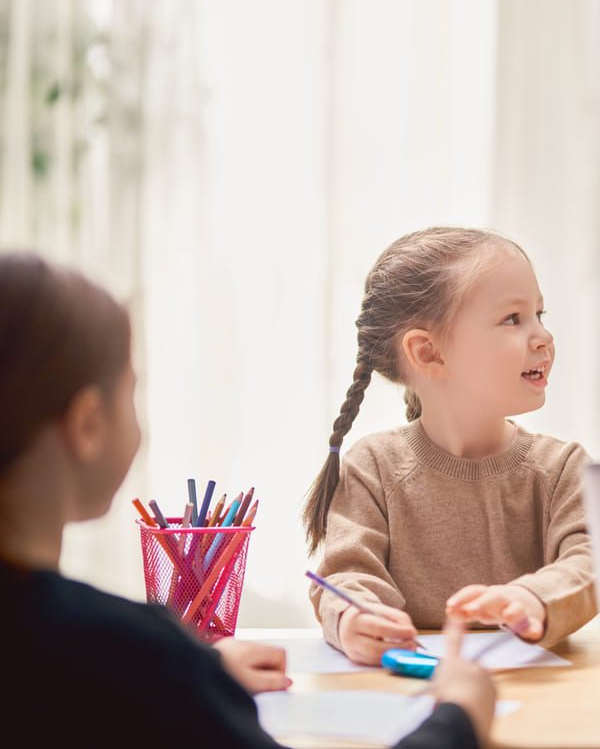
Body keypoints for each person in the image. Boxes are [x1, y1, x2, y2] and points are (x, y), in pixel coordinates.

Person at [0, 253, 495, 748]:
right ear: (88, 425)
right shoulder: (136, 657)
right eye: (131, 391)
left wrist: (200, 670)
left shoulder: (122, 662)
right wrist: (460, 715)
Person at [304, 227, 596, 665]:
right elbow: (348, 574)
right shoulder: (373, 467)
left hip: (538, 688)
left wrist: (532, 598)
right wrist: (354, 620)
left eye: (539, 314)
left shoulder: (563, 469)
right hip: (407, 687)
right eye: (513, 319)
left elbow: (592, 561)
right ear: (428, 353)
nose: (543, 337)